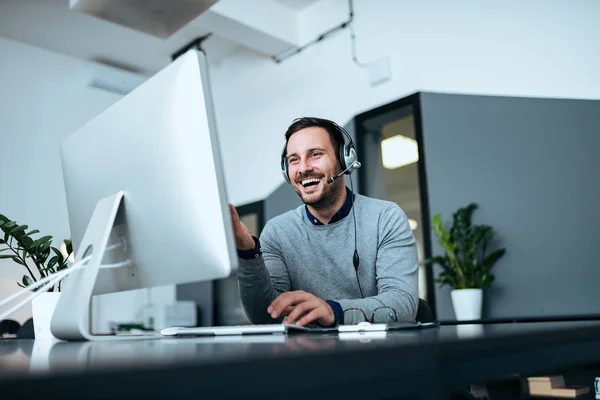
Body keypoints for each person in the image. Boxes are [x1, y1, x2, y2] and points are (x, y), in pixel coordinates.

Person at [229, 117, 418, 327]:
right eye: (294, 160)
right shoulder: (276, 232)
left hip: (377, 354)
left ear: (344, 159)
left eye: (315, 154)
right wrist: (248, 252)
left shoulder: (386, 218)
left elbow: (403, 305)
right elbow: (267, 317)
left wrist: (335, 311)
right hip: (306, 356)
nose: (303, 168)